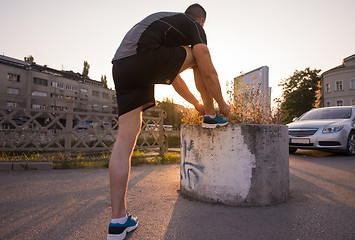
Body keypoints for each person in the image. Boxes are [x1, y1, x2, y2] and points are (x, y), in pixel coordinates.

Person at [107, 4, 230, 240]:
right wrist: (222, 105)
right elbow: (207, 69)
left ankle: (118, 222)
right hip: (144, 57)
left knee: (124, 144)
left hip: (121, 67)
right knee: (199, 57)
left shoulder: (167, 29)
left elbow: (172, 76)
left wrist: (195, 103)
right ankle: (212, 116)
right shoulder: (193, 26)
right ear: (202, 21)